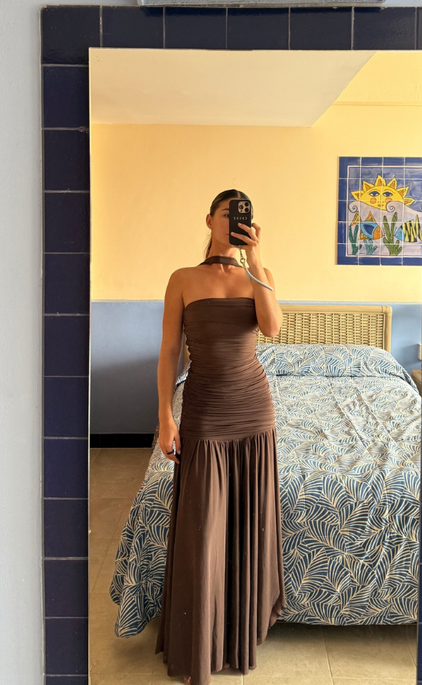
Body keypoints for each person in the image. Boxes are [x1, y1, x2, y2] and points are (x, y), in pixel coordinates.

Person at [154, 189, 286, 685]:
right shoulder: (182, 279)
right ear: (209, 219)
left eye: (241, 215)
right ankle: (200, 642)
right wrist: (165, 416)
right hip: (206, 409)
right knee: (204, 527)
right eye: (227, 214)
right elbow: (170, 351)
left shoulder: (260, 276)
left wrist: (257, 259)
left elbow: (272, 328)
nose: (233, 221)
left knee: (249, 518)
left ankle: (239, 631)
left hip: (254, 410)